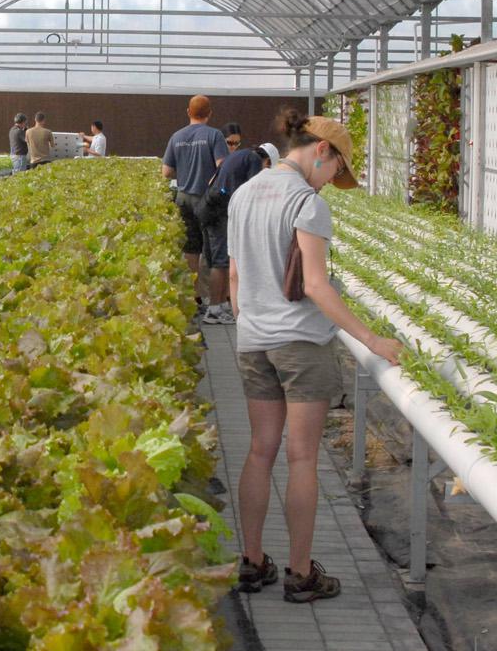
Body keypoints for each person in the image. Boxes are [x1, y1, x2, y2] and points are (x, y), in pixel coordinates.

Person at [226, 109, 403, 603]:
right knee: (302, 457)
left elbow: (235, 276)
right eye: (336, 171)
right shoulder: (306, 203)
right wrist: (372, 340)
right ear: (321, 150)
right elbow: (317, 285)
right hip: (301, 344)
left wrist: (249, 322)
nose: (331, 183)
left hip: (253, 340)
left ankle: (252, 560)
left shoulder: (244, 193)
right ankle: (301, 573)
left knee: (260, 450)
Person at [162, 95, 228, 318]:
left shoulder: (176, 136)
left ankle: (195, 299)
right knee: (217, 252)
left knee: (191, 250)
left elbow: (166, 172)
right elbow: (222, 167)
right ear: (210, 113)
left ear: (188, 112)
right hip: (207, 200)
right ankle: (217, 306)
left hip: (183, 198)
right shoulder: (214, 135)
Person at [197, 137, 275, 325]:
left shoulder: (240, 155)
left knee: (219, 260)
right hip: (220, 213)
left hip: (209, 207)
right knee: (221, 261)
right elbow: (253, 190)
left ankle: (222, 304)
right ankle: (214, 309)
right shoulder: (254, 161)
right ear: (268, 161)